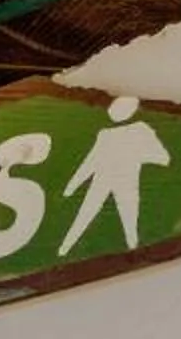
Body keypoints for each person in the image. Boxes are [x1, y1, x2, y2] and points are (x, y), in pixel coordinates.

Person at [59, 95, 173, 256]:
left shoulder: (141, 129)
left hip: (126, 180)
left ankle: (134, 251)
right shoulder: (105, 134)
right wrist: (72, 186)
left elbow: (163, 158)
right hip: (101, 179)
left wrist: (134, 155)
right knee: (85, 213)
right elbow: (91, 161)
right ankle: (64, 249)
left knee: (129, 218)